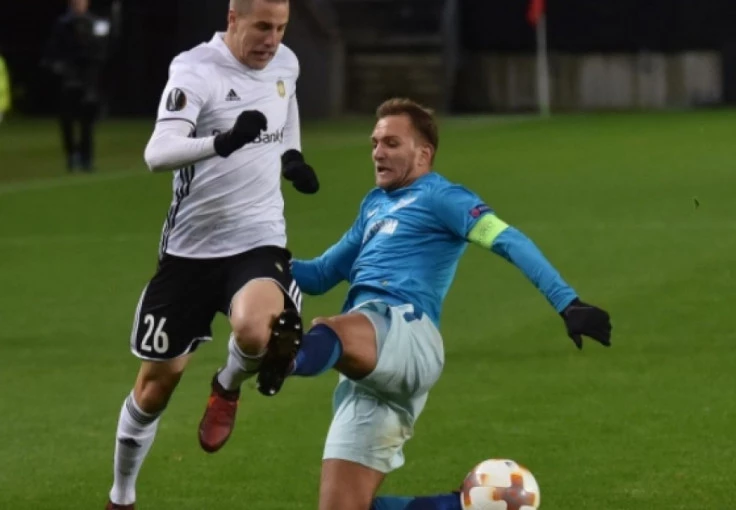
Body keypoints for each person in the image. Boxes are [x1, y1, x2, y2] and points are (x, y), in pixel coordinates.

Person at [255, 97, 613, 510]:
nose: (378, 152)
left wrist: (568, 303)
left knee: (331, 328)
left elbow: (507, 240)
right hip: (368, 366)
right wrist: (257, 260)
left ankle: (289, 359)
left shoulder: (444, 197)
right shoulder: (374, 205)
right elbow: (319, 274)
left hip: (407, 334)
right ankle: (461, 505)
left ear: (423, 154)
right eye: (375, 143)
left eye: (391, 143)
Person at [104, 0, 319, 508]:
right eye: (262, 27)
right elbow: (157, 153)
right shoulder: (195, 70)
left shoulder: (285, 62)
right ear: (232, 19)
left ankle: (227, 385)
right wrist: (221, 142)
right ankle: (122, 495)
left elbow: (286, 101)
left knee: (256, 329)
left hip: (259, 238)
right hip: (190, 250)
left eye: (281, 28)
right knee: (154, 389)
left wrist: (291, 156)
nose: (273, 39)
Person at [42, 0, 109, 172]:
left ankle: (86, 158)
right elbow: (53, 50)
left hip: (88, 80)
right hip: (68, 80)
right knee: (67, 121)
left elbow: (103, 48)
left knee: (87, 122)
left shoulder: (96, 23)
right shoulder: (62, 24)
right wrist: (58, 67)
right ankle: (72, 155)